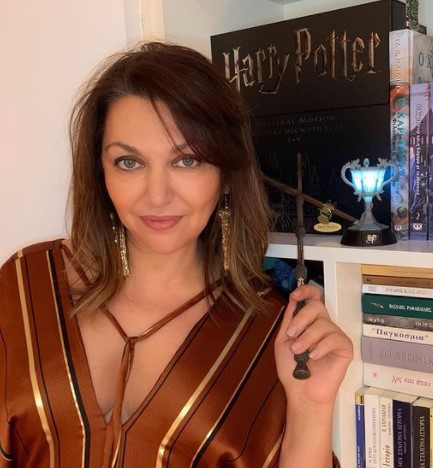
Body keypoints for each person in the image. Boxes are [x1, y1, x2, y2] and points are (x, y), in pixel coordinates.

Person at [0, 42, 353, 467]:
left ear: (226, 174)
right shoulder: (26, 286)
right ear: (100, 173)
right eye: (129, 162)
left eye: (187, 160)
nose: (157, 195)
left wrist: (311, 408)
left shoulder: (268, 335)